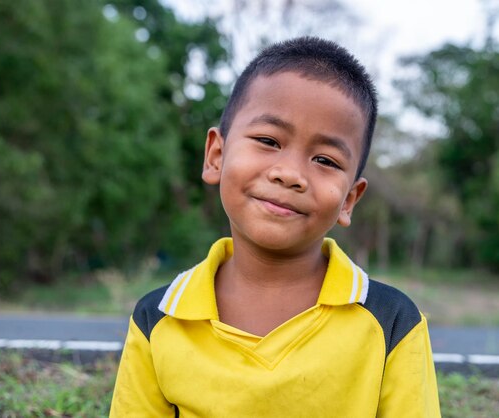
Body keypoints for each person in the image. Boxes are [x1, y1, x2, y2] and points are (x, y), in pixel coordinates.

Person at [110, 36, 441, 417]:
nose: (290, 174)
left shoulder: (391, 322)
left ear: (349, 199)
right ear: (216, 156)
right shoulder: (159, 318)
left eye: (326, 160)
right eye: (268, 140)